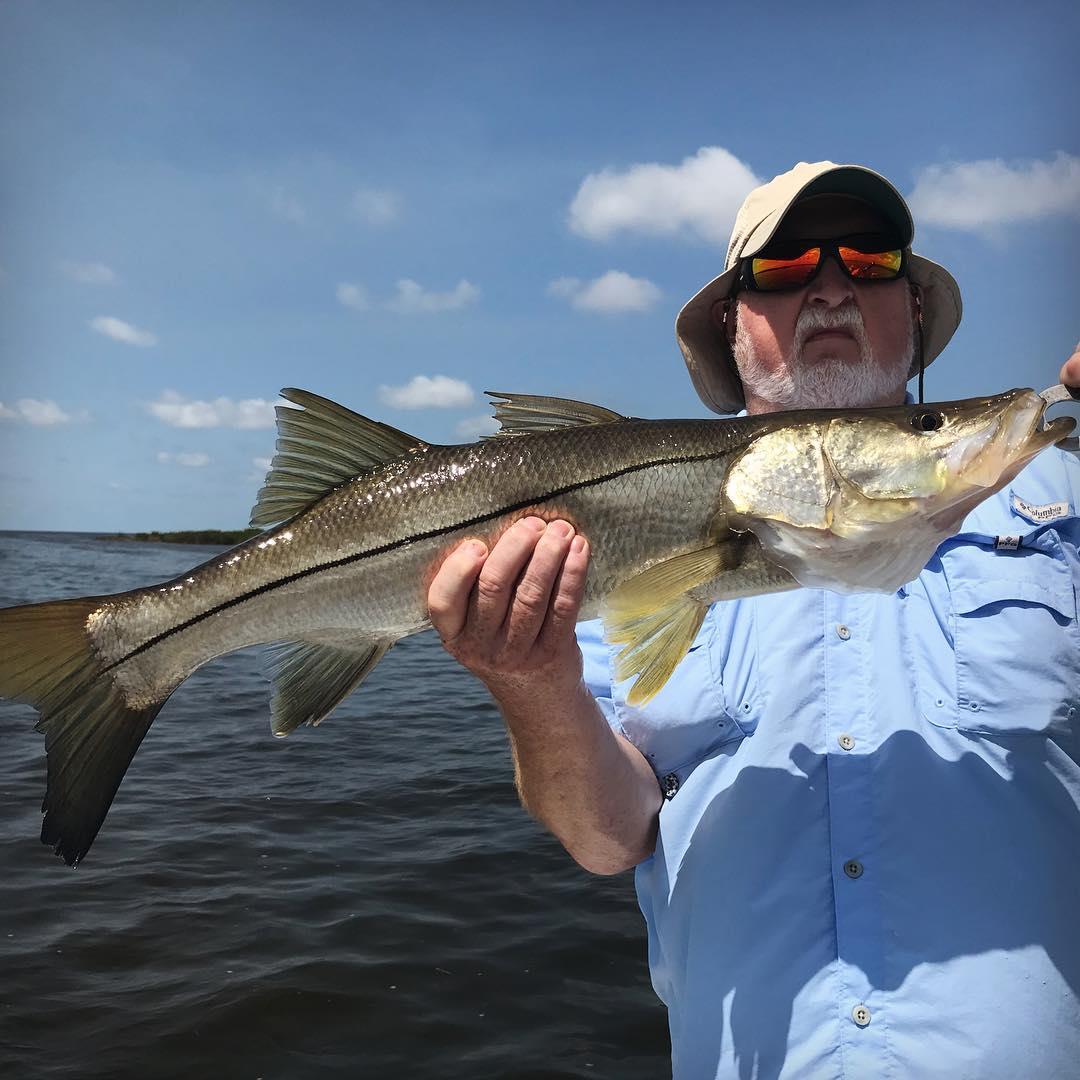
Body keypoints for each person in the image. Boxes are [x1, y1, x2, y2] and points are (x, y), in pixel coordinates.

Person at [427, 161, 1080, 1079]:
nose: (830, 287)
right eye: (782, 269)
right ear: (731, 328)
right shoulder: (610, 548)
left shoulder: (1065, 499)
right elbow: (606, 838)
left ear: (915, 308)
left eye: (869, 260)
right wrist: (531, 685)